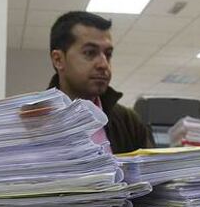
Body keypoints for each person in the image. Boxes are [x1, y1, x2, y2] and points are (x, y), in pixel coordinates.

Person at [48, 11, 154, 153]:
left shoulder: (128, 122)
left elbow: (149, 173)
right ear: (58, 60)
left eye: (108, 54)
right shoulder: (35, 122)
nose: (103, 64)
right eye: (90, 53)